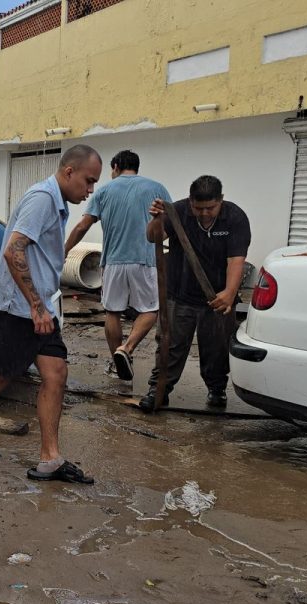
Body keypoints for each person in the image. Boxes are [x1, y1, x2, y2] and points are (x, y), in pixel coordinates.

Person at [0, 145, 102, 484]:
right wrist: (36, 305)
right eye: (88, 181)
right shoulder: (42, 199)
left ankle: (50, 459)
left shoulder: (55, 202)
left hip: (36, 309)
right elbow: (13, 250)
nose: (90, 191)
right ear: (69, 171)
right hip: (14, 311)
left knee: (56, 373)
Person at [139, 175, 251, 411]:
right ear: (190, 201)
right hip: (178, 295)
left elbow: (236, 260)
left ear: (221, 200)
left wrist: (230, 292)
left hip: (217, 298)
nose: (204, 213)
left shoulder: (235, 218)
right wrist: (157, 220)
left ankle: (217, 389)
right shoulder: (178, 210)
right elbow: (153, 237)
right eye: (198, 208)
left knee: (217, 348)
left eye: (210, 208)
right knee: (170, 346)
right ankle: (159, 389)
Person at [64, 150, 171, 381]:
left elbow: (83, 226)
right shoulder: (157, 189)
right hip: (145, 260)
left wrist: (64, 250)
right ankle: (127, 348)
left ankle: (117, 362)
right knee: (150, 309)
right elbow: (169, 225)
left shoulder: (103, 192)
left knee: (113, 311)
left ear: (115, 167)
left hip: (112, 261)